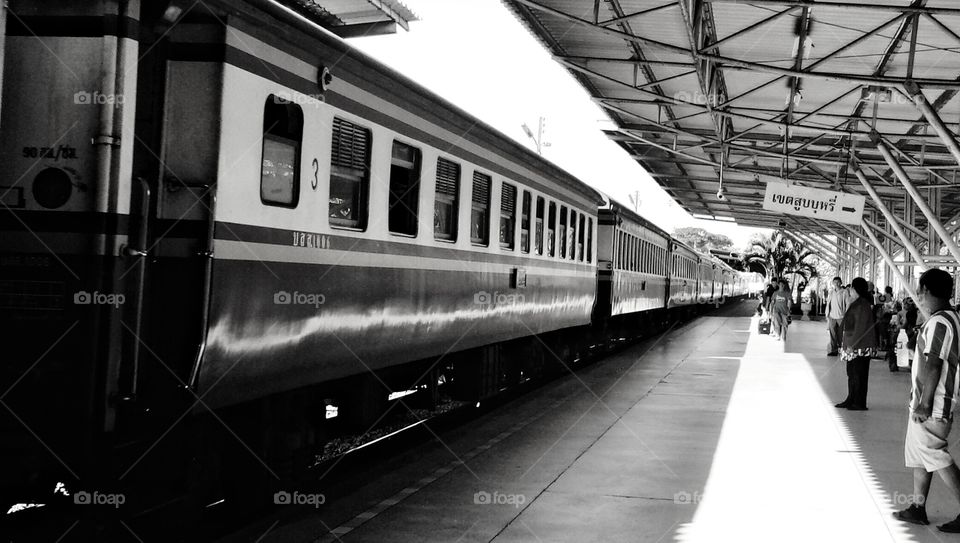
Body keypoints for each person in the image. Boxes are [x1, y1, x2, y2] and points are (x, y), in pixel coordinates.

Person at [893, 269, 960, 532]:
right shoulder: (940, 320)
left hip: (932, 405)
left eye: (921, 290)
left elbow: (935, 365)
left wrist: (925, 403)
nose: (919, 296)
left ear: (929, 291)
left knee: (936, 455)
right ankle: (917, 508)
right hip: (924, 402)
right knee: (922, 457)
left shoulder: (941, 322)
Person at [834, 277, 878, 411]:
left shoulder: (862, 305)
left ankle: (859, 402)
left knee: (859, 374)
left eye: (851, 287)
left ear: (856, 289)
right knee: (852, 372)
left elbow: (860, 327)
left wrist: (852, 344)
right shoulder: (856, 302)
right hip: (852, 344)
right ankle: (851, 398)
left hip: (860, 346)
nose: (849, 290)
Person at [825, 277, 850, 356]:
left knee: (840, 334)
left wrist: (846, 314)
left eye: (838, 282)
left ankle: (840, 348)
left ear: (841, 283)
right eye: (834, 282)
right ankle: (833, 350)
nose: (836, 284)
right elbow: (829, 303)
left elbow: (848, 303)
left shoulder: (844, 292)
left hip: (841, 317)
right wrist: (827, 314)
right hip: (832, 316)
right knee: (832, 334)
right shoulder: (832, 292)